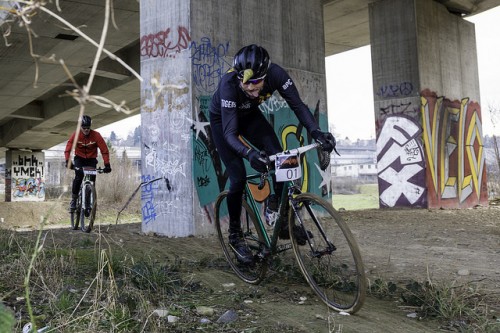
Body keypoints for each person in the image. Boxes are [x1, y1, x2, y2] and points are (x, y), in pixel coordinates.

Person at [209, 44, 336, 264]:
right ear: (239, 78)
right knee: (238, 176)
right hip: (224, 122)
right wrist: (249, 153)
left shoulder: (276, 75)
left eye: (257, 85)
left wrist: (316, 132)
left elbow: (298, 105)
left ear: (265, 75)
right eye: (247, 86)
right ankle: (235, 236)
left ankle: (282, 218)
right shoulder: (228, 86)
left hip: (249, 115)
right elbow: (230, 134)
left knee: (279, 158)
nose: (253, 91)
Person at [64, 115, 112, 211]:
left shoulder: (96, 135)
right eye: (84, 128)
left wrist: (107, 164)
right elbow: (68, 149)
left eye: (88, 128)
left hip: (91, 160)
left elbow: (104, 150)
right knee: (78, 177)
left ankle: (88, 201)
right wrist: (68, 161)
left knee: (92, 180)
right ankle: (74, 199)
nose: (86, 130)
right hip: (79, 159)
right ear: (80, 127)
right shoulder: (76, 135)